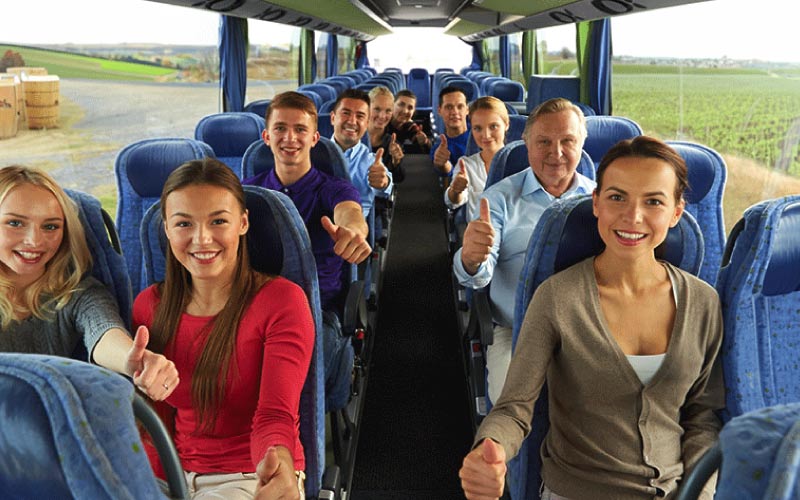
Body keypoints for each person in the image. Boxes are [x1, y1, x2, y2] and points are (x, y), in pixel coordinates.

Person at [460, 136, 724, 500]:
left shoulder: (703, 302)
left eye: (653, 201)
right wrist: (490, 452)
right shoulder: (557, 297)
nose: (633, 217)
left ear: (677, 212)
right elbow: (514, 409)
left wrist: (701, 491)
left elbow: (702, 417)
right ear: (596, 203)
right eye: (617, 197)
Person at [134, 158, 314, 500]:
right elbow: (154, 418)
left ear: (243, 223)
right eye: (184, 224)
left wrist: (279, 466)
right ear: (167, 229)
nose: (202, 239)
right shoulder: (149, 306)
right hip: (168, 472)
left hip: (248, 473)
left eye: (218, 221)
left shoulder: (282, 301)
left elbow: (275, 413)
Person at [453, 98, 596, 404]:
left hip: (588, 330)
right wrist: (471, 260)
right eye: (543, 141)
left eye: (567, 141)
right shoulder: (498, 199)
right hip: (517, 329)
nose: (555, 153)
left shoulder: (601, 202)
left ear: (581, 144)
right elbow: (477, 276)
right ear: (526, 143)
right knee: (514, 413)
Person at [0, 165, 177, 401]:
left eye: (50, 226)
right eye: (15, 223)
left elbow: (104, 330)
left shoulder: (79, 293)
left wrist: (131, 361)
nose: (34, 240)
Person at [243, 91, 371, 411]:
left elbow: (350, 213)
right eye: (281, 128)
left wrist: (353, 232)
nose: (290, 138)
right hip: (254, 305)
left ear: (315, 138)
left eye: (300, 130)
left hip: (317, 308)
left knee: (286, 378)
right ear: (266, 136)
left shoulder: (334, 187)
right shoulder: (247, 192)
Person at [329, 88, 393, 220]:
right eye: (346, 113)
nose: (352, 121)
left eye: (360, 116)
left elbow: (386, 184)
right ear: (333, 118)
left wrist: (384, 182)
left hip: (352, 232)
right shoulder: (311, 153)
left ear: (367, 123)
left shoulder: (371, 161)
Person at [445, 96, 509, 221]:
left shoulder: (523, 163)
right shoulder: (466, 165)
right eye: (478, 128)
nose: (486, 135)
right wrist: (455, 190)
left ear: (506, 125)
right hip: (480, 235)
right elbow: (453, 202)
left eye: (493, 126)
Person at [367, 86, 405, 183]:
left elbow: (398, 180)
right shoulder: (353, 137)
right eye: (377, 109)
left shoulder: (393, 142)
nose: (382, 116)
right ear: (367, 109)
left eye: (388, 111)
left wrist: (396, 162)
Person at [431, 86, 471, 177]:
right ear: (439, 111)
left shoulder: (481, 134)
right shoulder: (439, 148)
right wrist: (443, 164)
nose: (455, 112)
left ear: (467, 110)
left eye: (460, 106)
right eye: (449, 107)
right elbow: (449, 170)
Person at [386, 89, 431, 154]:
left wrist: (425, 142)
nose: (405, 111)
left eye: (410, 108)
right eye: (401, 105)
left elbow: (427, 150)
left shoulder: (410, 126)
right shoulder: (383, 122)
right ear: (392, 105)